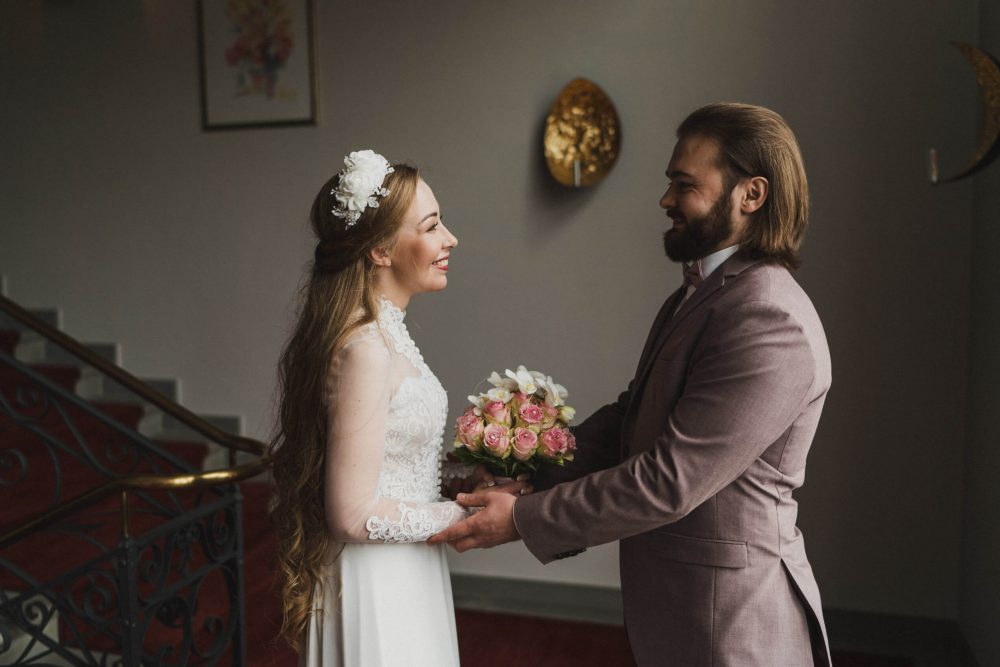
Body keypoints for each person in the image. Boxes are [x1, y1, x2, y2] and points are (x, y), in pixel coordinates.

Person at [430, 103, 833, 666]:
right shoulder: (699, 295)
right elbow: (632, 417)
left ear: (752, 195)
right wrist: (531, 479)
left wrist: (523, 520)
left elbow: (669, 481)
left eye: (683, 184)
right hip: (682, 604)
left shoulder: (769, 319)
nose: (666, 200)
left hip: (735, 622)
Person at [269, 150, 471, 666]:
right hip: (377, 578)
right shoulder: (366, 349)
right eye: (431, 226)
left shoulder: (387, 336)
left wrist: (466, 479)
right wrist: (461, 515)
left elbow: (388, 462)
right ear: (380, 250)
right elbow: (351, 512)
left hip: (407, 564)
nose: (450, 239)